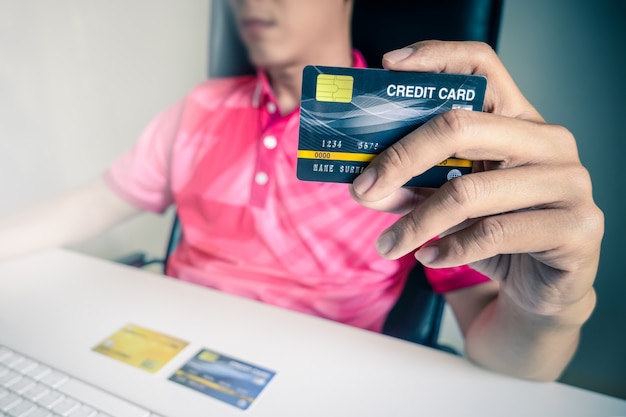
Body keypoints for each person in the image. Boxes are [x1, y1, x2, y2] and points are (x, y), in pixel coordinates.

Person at [0, 0, 602, 382]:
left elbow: (507, 353)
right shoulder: (201, 107)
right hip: (160, 354)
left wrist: (548, 313)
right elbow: (90, 203)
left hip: (313, 383)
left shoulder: (422, 134)